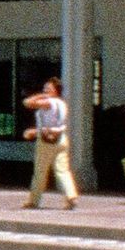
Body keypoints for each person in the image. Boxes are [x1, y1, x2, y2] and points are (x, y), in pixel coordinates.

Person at [23, 78, 79, 211]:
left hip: (46, 139)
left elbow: (27, 103)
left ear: (55, 91)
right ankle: (71, 195)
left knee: (40, 171)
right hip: (61, 138)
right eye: (44, 88)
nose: (45, 90)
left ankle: (34, 200)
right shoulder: (62, 104)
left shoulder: (49, 102)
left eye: (48, 88)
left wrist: (41, 96)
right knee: (63, 170)